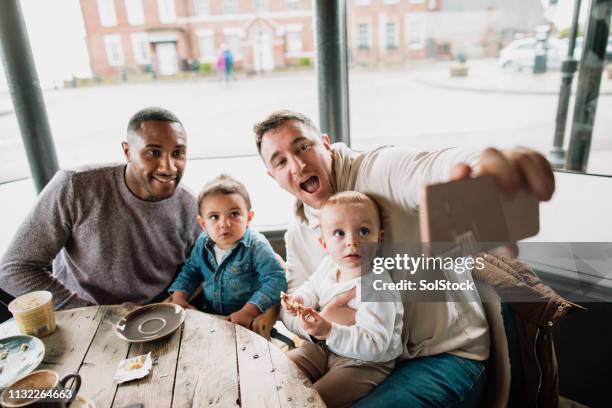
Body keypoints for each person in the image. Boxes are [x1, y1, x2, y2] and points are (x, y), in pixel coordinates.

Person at [253, 110, 555, 407]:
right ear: (272, 176)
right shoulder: (300, 230)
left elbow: (433, 167)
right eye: (280, 161)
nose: (298, 164)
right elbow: (294, 303)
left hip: (443, 356)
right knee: (268, 388)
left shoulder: (379, 171)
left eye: (303, 146)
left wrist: (487, 174)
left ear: (326, 143)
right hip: (349, 353)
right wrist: (322, 320)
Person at [0, 107, 201, 310]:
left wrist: (175, 300)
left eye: (178, 153)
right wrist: (93, 315)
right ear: (127, 151)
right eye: (153, 153)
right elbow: (14, 270)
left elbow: (201, 268)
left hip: (156, 316)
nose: (168, 167)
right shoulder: (74, 186)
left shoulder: (191, 206)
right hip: (80, 315)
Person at [282, 191, 403, 408]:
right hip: (324, 347)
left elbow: (376, 345)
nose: (352, 241)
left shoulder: (377, 287)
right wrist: (301, 299)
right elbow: (312, 287)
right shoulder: (329, 266)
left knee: (313, 399)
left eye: (364, 231)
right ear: (324, 243)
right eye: (339, 233)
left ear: (379, 238)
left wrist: (329, 330)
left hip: (365, 362)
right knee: (281, 369)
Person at [168, 174, 287, 329]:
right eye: (214, 217)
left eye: (234, 214)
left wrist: (249, 311)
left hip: (246, 321)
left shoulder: (256, 247)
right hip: (211, 316)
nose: (224, 224)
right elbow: (191, 271)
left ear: (249, 217)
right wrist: (179, 298)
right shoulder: (203, 243)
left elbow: (276, 280)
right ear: (202, 223)